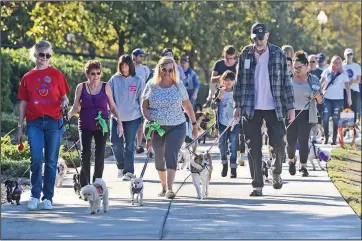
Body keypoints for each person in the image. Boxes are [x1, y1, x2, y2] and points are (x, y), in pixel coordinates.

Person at [233, 23, 295, 197]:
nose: (258, 41)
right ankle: (257, 185)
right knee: (253, 148)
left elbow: (286, 82)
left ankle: (276, 171)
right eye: (255, 38)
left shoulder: (277, 54)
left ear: (267, 36)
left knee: (280, 144)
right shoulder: (245, 53)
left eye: (261, 38)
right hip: (251, 107)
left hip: (274, 107)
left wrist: (291, 107)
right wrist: (237, 105)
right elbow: (239, 82)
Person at [17, 40, 70, 210]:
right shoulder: (27, 77)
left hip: (54, 121)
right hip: (34, 122)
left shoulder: (57, 74)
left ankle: (48, 197)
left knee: (51, 160)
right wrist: (20, 126)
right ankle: (34, 195)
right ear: (35, 55)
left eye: (48, 55)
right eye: (42, 54)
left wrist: (65, 102)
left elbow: (64, 97)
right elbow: (23, 103)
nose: (45, 58)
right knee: (36, 159)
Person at [141, 56, 197, 199]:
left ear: (174, 70)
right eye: (164, 69)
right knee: (159, 156)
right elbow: (144, 107)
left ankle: (171, 189)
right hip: (156, 127)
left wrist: (194, 124)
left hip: (176, 126)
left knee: (171, 154)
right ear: (159, 69)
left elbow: (188, 106)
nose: (167, 72)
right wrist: (150, 119)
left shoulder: (178, 85)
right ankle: (164, 186)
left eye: (170, 69)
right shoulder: (151, 86)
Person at [68, 60, 123, 189]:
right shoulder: (81, 87)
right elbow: (76, 106)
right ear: (87, 74)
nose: (96, 76)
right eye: (93, 73)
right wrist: (69, 114)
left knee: (100, 153)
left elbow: (113, 106)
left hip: (102, 125)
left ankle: (97, 183)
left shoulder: (106, 86)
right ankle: (85, 185)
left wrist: (119, 123)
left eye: (98, 73)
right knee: (85, 153)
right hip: (85, 124)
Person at [286, 51, 324, 177]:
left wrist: (317, 96)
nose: (296, 69)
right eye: (294, 67)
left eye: (299, 67)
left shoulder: (313, 79)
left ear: (306, 66)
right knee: (291, 142)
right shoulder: (288, 77)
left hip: (306, 113)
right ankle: (291, 161)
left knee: (303, 141)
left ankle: (303, 166)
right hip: (290, 113)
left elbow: (321, 100)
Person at [109, 55, 145, 180]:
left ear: (131, 66)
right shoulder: (114, 79)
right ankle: (121, 166)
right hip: (116, 117)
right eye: (122, 65)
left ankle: (129, 172)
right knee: (115, 143)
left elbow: (142, 99)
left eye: (127, 65)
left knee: (129, 144)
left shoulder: (138, 80)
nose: (124, 67)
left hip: (133, 117)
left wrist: (144, 116)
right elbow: (109, 97)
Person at [211, 70, 240, 178]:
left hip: (234, 123)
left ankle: (233, 168)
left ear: (233, 81)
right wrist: (219, 97)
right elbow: (212, 106)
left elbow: (241, 105)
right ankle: (224, 164)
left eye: (230, 80)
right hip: (222, 123)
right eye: (226, 80)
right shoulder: (219, 91)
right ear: (222, 81)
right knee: (222, 145)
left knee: (233, 146)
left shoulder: (237, 91)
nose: (228, 82)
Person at [320, 56, 352, 145]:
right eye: (335, 62)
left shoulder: (343, 73)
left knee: (335, 119)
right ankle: (326, 137)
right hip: (327, 99)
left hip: (338, 99)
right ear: (332, 62)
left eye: (339, 63)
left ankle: (334, 139)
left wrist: (349, 98)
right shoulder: (327, 71)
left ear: (341, 63)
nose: (337, 64)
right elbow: (320, 83)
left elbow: (347, 87)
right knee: (325, 118)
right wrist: (320, 91)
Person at [132, 48, 151, 154]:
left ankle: (139, 144)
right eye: (140, 56)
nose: (142, 58)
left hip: (142, 97)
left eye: (143, 56)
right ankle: (132, 142)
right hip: (131, 97)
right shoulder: (130, 68)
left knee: (141, 122)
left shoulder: (145, 69)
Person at [343, 48, 361, 126]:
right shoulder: (342, 66)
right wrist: (346, 84)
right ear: (345, 55)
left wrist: (350, 82)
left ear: (353, 55)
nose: (349, 56)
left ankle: (353, 130)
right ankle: (347, 127)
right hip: (344, 90)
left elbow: (358, 80)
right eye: (348, 54)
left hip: (354, 90)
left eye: (351, 54)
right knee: (346, 109)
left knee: (354, 109)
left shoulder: (356, 66)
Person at [308, 54, 324, 142]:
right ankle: (309, 136)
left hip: (317, 98)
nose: (311, 63)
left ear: (316, 62)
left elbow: (323, 84)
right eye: (309, 61)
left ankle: (315, 136)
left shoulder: (320, 72)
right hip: (307, 98)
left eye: (313, 61)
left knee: (316, 118)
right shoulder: (305, 72)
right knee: (308, 118)